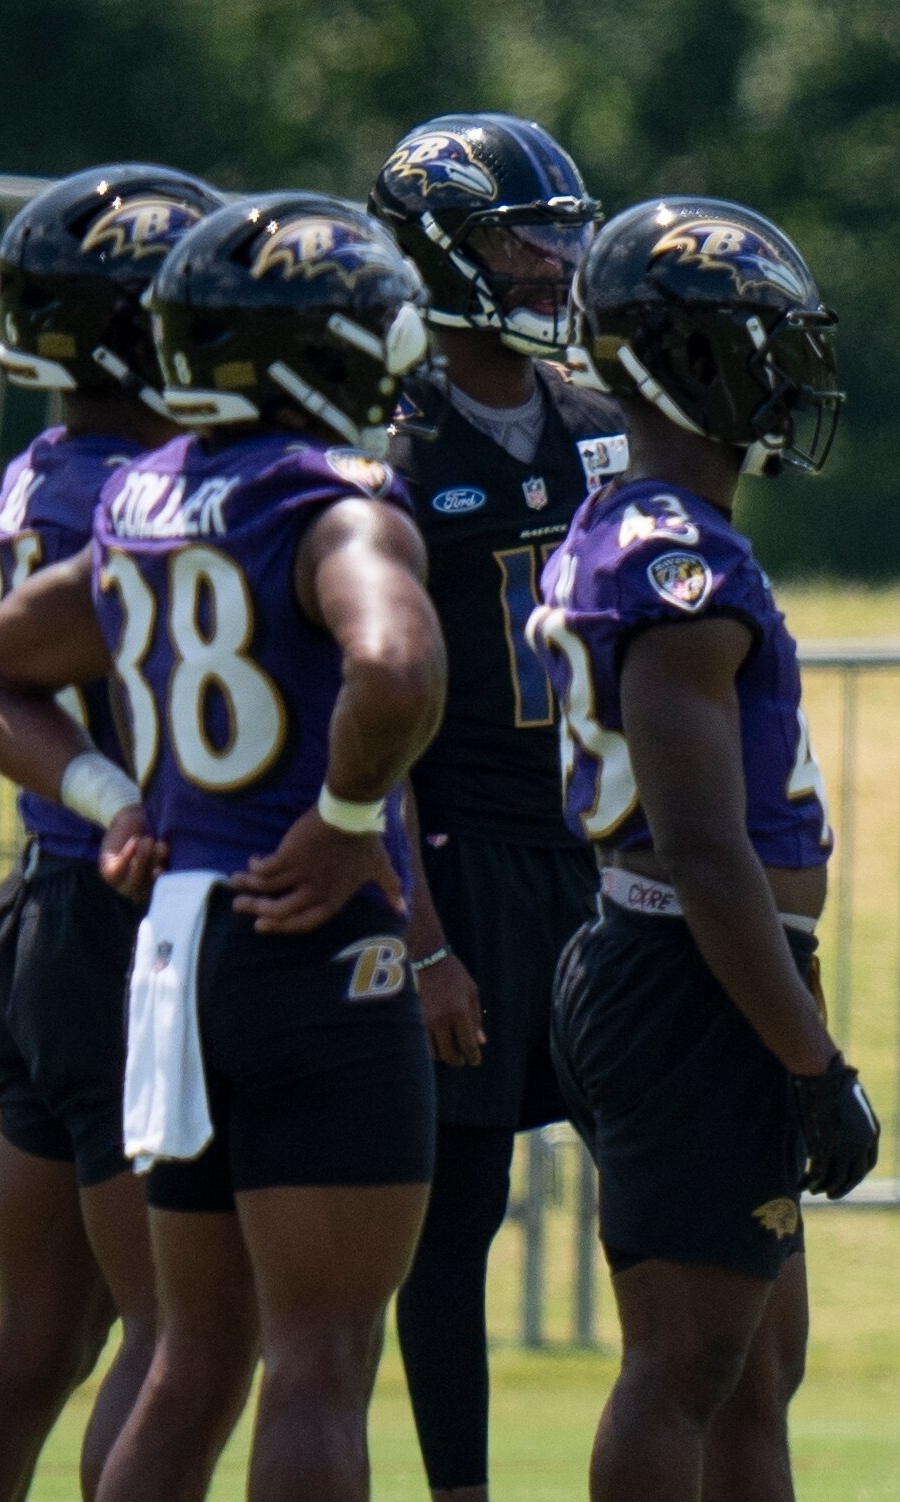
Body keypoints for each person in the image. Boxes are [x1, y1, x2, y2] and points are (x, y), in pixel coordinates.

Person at [0, 192, 444, 1501]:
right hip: (298, 933)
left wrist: (115, 796)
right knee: (317, 1357)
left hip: (170, 945)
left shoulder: (143, 502)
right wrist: (344, 819)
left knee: (187, 1360)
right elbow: (395, 665)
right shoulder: (327, 501)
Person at [533, 196, 880, 1501]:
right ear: (685, 356)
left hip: (691, 962)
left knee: (751, 1369)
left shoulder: (643, 524)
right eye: (761, 340)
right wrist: (812, 1060)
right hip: (689, 974)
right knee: (682, 1367)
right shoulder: (674, 556)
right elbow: (702, 848)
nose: (789, 368)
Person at [0, 161, 219, 1502]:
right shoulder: (126, 498)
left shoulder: (53, 463)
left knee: (37, 1340)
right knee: (169, 1342)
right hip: (124, 914)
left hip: (47, 899)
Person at [367, 111, 620, 1502]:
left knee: (669, 1185)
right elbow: (378, 725)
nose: (551, 263)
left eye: (560, 234)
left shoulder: (602, 424)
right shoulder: (391, 448)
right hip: (464, 863)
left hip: (601, 860)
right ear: (439, 253)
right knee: (452, 1214)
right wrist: (421, 938)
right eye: (521, 238)